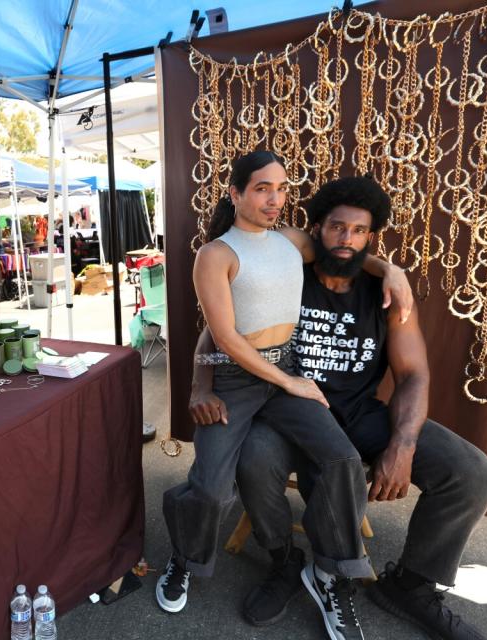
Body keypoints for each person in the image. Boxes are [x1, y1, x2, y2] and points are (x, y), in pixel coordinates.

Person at [190, 176, 487, 640]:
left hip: (359, 416)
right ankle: (284, 562)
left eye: (358, 232)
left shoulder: (386, 293)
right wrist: (199, 385)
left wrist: (403, 443)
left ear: (370, 237)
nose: (346, 240)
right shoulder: (285, 269)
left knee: (474, 474)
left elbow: (413, 374)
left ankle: (410, 586)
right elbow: (219, 331)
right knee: (254, 460)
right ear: (317, 229)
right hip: (284, 412)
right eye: (336, 228)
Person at [157, 152, 412, 640]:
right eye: (261, 188)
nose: (275, 199)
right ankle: (184, 558)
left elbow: (348, 254)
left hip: (287, 368)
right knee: (211, 486)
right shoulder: (217, 255)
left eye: (281, 188)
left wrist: (390, 270)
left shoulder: (291, 241)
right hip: (238, 377)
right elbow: (225, 336)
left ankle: (328, 573)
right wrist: (223, 384)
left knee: (339, 457)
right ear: (235, 193)